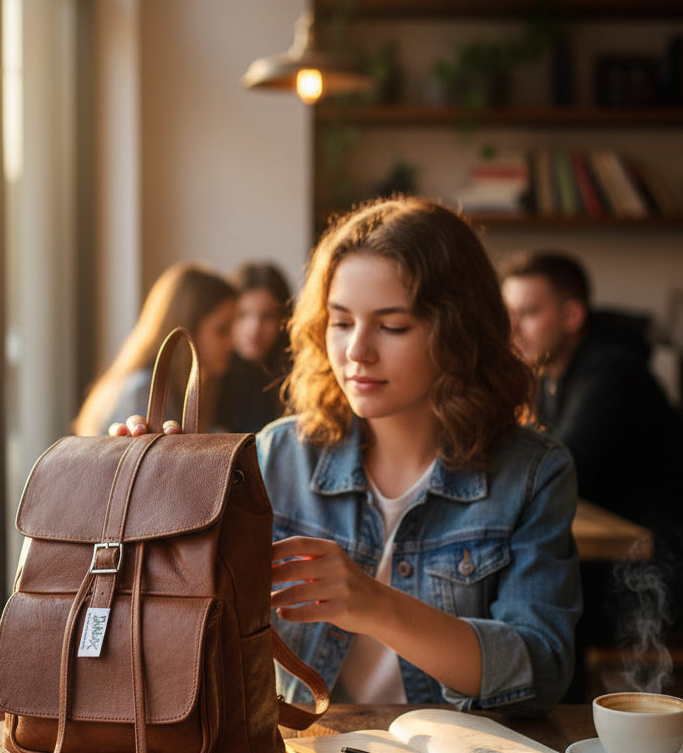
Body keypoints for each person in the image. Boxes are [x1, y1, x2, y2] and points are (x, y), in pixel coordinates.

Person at [116, 197, 581, 713]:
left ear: (459, 334)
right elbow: (179, 625)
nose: (357, 351)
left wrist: (377, 605)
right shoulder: (280, 455)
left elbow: (542, 669)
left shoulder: (533, 473)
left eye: (393, 326)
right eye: (340, 322)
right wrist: (141, 501)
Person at [500, 251, 683, 536]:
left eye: (528, 313)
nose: (512, 329)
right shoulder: (548, 375)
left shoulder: (612, 372)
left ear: (572, 316)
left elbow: (557, 474)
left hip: (651, 558)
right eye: (508, 314)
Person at [73, 263, 238, 435]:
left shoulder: (184, 390)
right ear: (187, 328)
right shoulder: (145, 391)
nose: (232, 343)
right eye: (222, 329)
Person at [215, 261, 292, 432]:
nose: (254, 328)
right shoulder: (212, 373)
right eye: (243, 315)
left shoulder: (296, 376)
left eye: (267, 316)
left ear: (284, 319)